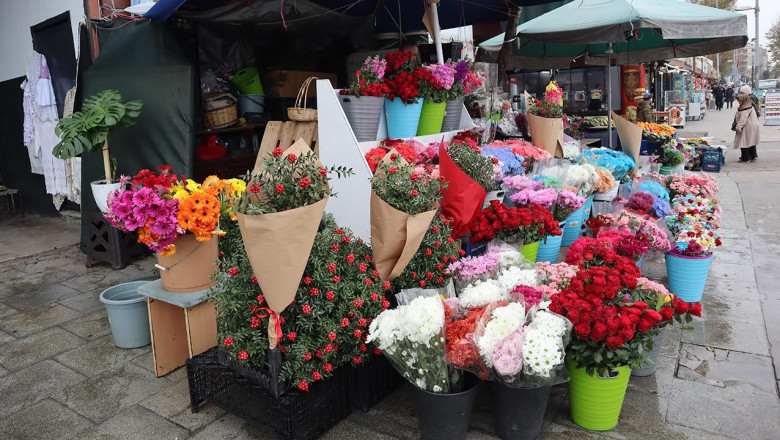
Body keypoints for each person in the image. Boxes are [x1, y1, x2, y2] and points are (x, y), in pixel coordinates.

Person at [733, 85, 760, 162]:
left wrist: (739, 127)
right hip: (753, 124)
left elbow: (743, 119)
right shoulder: (749, 103)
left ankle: (745, 157)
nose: (739, 102)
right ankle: (753, 155)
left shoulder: (745, 107)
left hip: (748, 125)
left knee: (744, 142)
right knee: (751, 141)